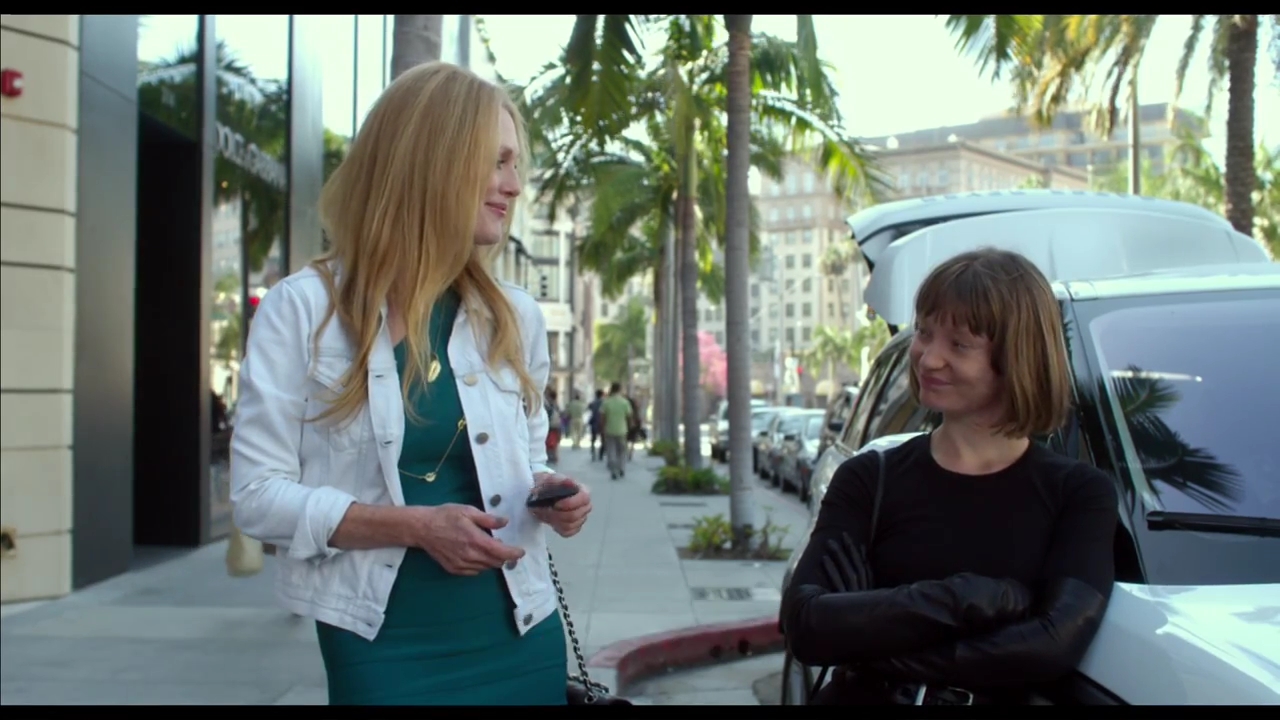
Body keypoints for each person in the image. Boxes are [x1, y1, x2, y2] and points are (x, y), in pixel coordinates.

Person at [229, 62, 593, 706]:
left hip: (518, 631)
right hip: (382, 643)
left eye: (516, 166)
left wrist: (549, 494)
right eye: (497, 162)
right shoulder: (303, 310)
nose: (513, 186)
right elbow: (257, 498)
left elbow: (527, 460)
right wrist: (417, 527)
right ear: (433, 162)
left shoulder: (513, 316)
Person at [781, 248, 1118, 705]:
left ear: (1018, 357)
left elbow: (1051, 646)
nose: (928, 359)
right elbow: (806, 625)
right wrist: (967, 598)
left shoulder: (1078, 494)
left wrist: (872, 639)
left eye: (959, 344)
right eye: (924, 332)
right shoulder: (870, 477)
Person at [600, 383, 633, 480]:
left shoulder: (606, 402)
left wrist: (602, 428)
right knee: (622, 451)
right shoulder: (625, 402)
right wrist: (630, 426)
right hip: (622, 430)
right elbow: (629, 416)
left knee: (611, 451)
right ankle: (621, 468)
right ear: (620, 390)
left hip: (609, 430)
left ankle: (614, 470)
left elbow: (602, 417)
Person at [587, 389, 605, 461]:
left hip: (594, 421)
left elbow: (589, 408)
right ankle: (601, 454)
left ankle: (593, 452)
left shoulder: (593, 403)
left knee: (593, 438)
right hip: (602, 422)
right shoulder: (604, 402)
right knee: (603, 439)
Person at [544, 388, 562, 464]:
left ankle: (552, 456)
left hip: (551, 426)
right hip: (557, 426)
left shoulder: (549, 405)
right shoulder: (556, 405)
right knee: (554, 442)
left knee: (549, 441)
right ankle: (554, 456)